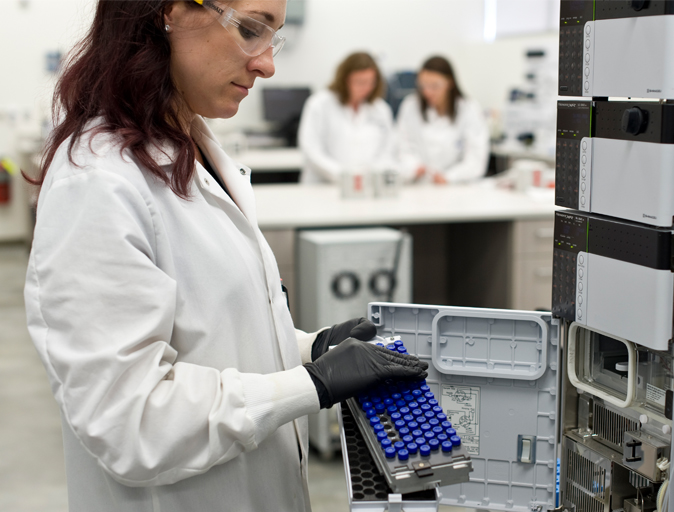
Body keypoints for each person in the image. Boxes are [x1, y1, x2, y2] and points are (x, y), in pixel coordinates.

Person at [23, 2, 427, 511]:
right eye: (251, 29)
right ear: (169, 12)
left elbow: (212, 336)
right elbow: (131, 422)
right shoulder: (97, 184)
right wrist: (312, 385)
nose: (267, 64)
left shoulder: (193, 147)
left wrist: (310, 347)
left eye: (272, 37)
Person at [298, 52, 395, 184]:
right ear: (345, 80)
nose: (366, 88)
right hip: (324, 186)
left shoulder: (381, 109)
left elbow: (387, 150)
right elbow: (311, 149)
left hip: (366, 185)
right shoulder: (319, 104)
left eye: (370, 82)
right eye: (360, 82)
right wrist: (344, 175)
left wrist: (369, 174)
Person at [396, 56, 490, 184]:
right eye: (423, 85)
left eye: (435, 86)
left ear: (449, 83)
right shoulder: (410, 106)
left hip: (456, 186)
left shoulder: (469, 109)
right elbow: (403, 147)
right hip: (419, 185)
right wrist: (414, 167)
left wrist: (449, 177)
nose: (428, 92)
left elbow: (476, 159)